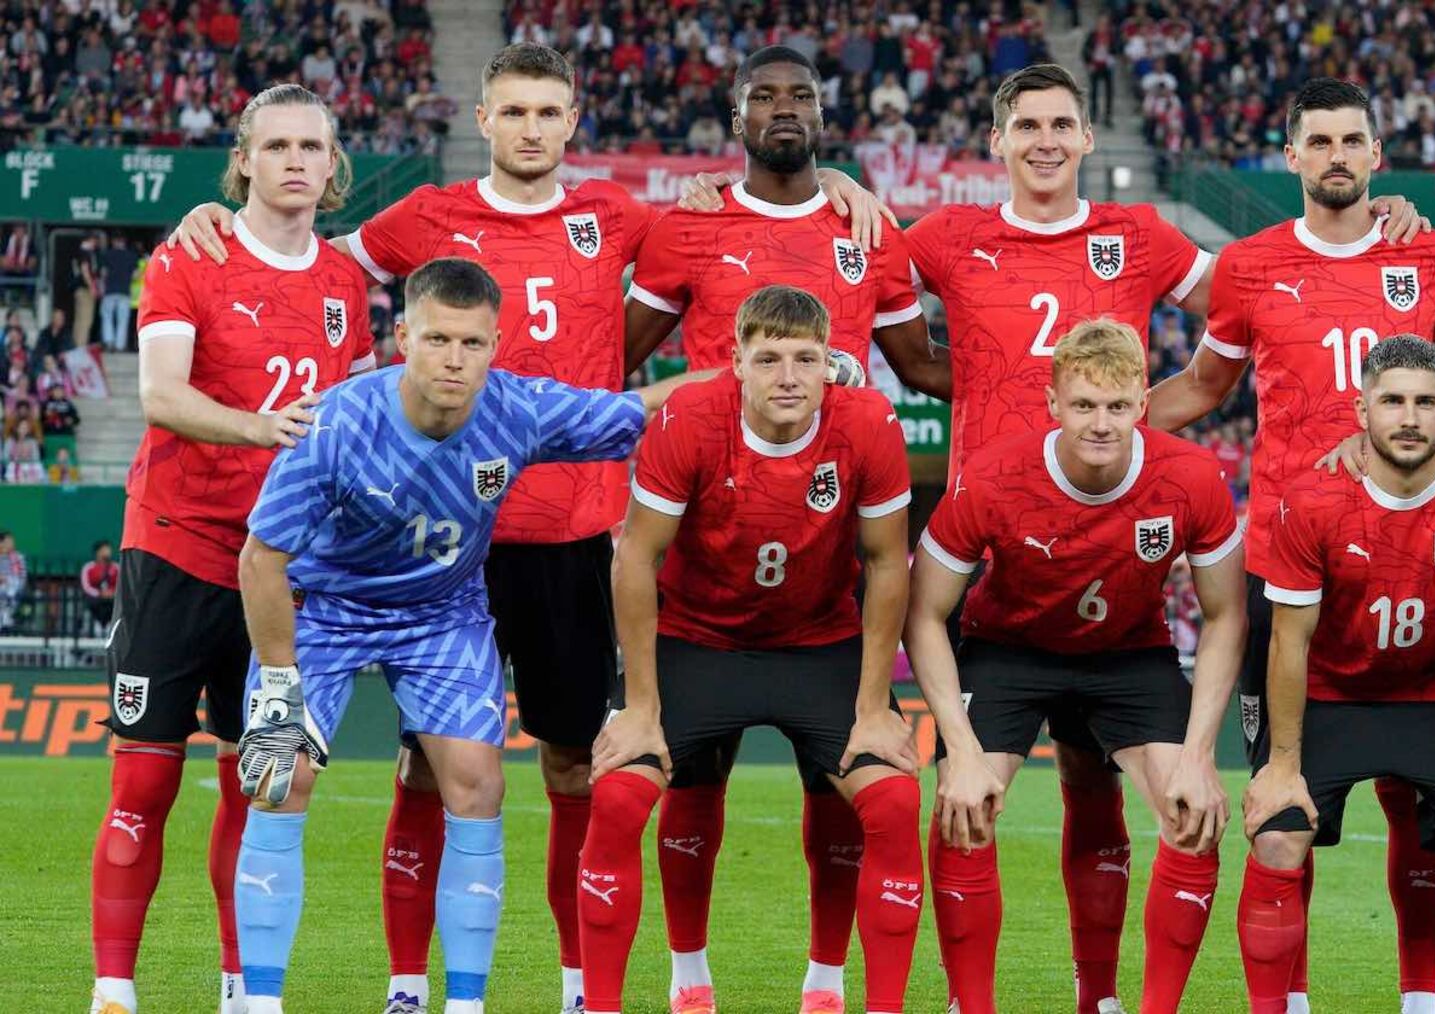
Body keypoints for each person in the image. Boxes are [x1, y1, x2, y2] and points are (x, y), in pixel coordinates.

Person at [167, 42, 896, 1014]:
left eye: (548, 113)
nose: (531, 129)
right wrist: (226, 214)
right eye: (513, 112)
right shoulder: (422, 219)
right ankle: (405, 985)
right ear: (485, 121)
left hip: (566, 535)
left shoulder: (622, 215)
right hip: (421, 556)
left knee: (558, 765)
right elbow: (305, 260)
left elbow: (750, 223)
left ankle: (572, 986)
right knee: (418, 773)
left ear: (572, 121)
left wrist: (827, 185)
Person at [902, 65, 1428, 1014]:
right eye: (1027, 125)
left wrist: (1363, 220)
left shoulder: (1138, 236)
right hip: (1003, 568)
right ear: (997, 140)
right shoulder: (948, 235)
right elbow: (840, 270)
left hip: (1120, 586)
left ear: (1090, 138)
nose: (1047, 140)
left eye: (1064, 123)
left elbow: (1267, 288)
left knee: (1122, 799)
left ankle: (1110, 1000)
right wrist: (846, 199)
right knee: (976, 800)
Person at [230, 257, 657, 1014]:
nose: (454, 359)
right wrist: (277, 688)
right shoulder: (335, 423)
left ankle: (462, 1004)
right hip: (331, 609)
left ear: (496, 345)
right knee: (278, 776)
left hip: (442, 615)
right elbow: (261, 560)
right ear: (403, 337)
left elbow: (641, 410)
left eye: (471, 343)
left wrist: (750, 384)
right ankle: (259, 1002)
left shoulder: (516, 410)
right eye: (437, 339)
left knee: (477, 783)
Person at [621, 47, 948, 1014]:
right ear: (734, 117)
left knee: (835, 783)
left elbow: (925, 371)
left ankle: (825, 983)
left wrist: (1071, 408)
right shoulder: (691, 223)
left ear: (823, 108)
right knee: (694, 777)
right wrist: (685, 397)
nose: (782, 109)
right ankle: (688, 983)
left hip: (822, 554)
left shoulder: (868, 227)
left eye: (799, 94)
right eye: (762, 97)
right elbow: (612, 359)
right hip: (703, 550)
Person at [1148, 78, 1435, 1014]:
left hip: (1422, 558)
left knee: (1422, 803)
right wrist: (1105, 425)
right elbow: (1202, 385)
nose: (1337, 155)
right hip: (1291, 568)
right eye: (1319, 141)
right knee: (1283, 800)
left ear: (1377, 156)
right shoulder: (1249, 264)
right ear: (1290, 157)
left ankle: (1420, 997)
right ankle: (1288, 1001)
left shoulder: (1429, 253)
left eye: (1353, 139)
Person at [87, 84, 376, 1014]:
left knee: (258, 782)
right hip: (177, 546)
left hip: (282, 569)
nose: (296, 160)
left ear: (334, 168)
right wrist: (268, 430)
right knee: (142, 782)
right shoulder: (190, 254)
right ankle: (113, 990)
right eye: (277, 144)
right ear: (242, 161)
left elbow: (363, 414)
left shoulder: (343, 282)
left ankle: (242, 987)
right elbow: (161, 396)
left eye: (313, 146)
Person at [579, 285, 924, 1014]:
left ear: (833, 365)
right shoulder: (689, 419)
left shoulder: (867, 422)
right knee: (615, 797)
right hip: (699, 639)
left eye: (806, 358)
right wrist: (641, 707)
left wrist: (871, 708)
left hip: (819, 644)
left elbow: (889, 563)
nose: (789, 377)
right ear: (734, 362)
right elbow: (635, 560)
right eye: (768, 358)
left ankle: (831, 987)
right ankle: (682, 977)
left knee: (890, 799)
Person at [906, 319, 1245, 1014]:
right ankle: (969, 1006)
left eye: (1117, 406)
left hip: (1128, 652)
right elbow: (923, 614)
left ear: (1142, 406)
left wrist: (1200, 756)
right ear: (1053, 403)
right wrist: (962, 753)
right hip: (1009, 650)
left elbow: (1226, 616)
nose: (1100, 423)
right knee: (964, 808)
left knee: (1193, 812)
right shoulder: (995, 476)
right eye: (1084, 405)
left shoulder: (1190, 478)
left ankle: (1118, 1003)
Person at [1242, 337, 1435, 1014]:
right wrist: (1283, 764)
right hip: (1333, 693)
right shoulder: (1312, 499)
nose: (1409, 417)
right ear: (1362, 409)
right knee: (1279, 833)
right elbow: (1290, 640)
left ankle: (1426, 1003)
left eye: (1425, 402)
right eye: (1393, 400)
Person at [99, 233, 140, 352]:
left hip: (109, 291)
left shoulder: (107, 254)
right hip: (124, 291)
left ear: (113, 242)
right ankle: (119, 345)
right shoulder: (131, 256)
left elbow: (103, 273)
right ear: (124, 242)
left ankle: (109, 341)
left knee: (107, 317)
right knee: (123, 319)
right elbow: (136, 275)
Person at [80, 541, 120, 634]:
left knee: (115, 605)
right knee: (93, 603)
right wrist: (99, 593)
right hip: (96, 601)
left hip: (112, 600)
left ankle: (111, 627)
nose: (107, 552)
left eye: (108, 549)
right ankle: (95, 627)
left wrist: (112, 593)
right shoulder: (89, 567)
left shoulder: (116, 567)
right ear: (98, 552)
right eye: (104, 549)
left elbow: (120, 585)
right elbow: (86, 586)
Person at [0, 531, 24, 632]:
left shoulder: (17, 557)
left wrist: (6, 579)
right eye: (9, 541)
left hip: (10, 588)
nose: (12, 544)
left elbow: (21, 576)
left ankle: (5, 616)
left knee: (13, 584)